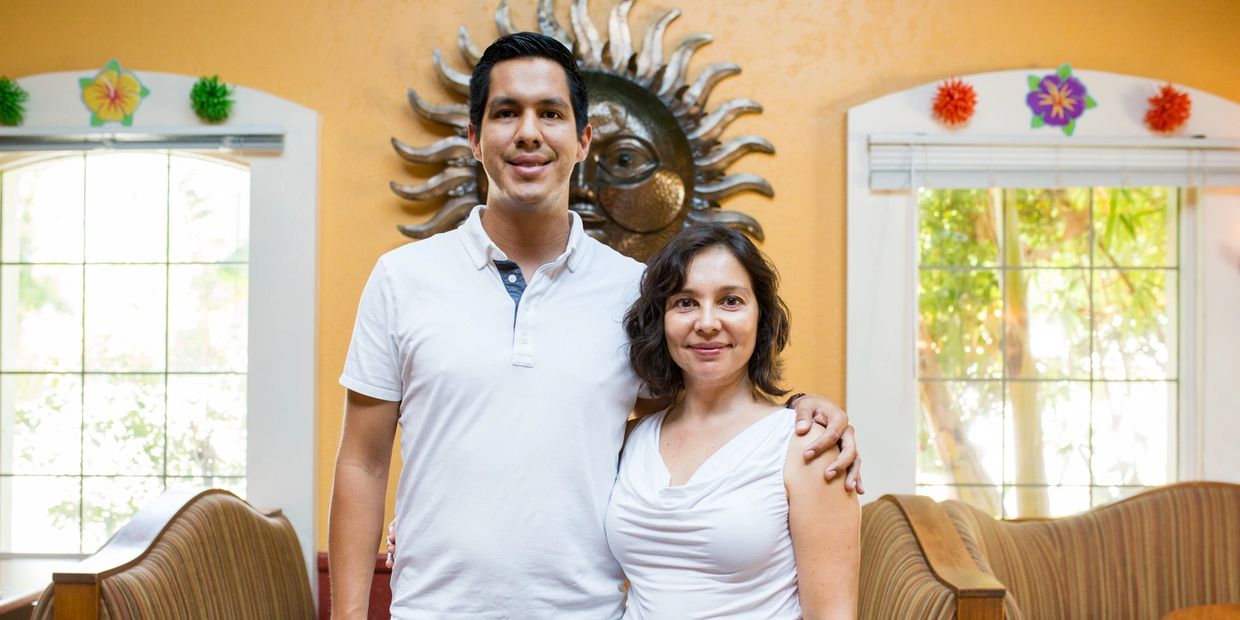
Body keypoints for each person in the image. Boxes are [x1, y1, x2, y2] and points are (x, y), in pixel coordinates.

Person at [329, 31, 861, 619]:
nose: (529, 131)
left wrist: (803, 411)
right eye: (506, 112)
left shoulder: (637, 292)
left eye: (550, 113)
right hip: (431, 609)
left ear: (583, 139)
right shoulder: (401, 279)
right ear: (475, 138)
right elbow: (363, 461)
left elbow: (696, 417)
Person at [606, 223, 859, 618]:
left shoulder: (809, 449)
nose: (707, 323)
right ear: (662, 321)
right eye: (685, 302)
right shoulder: (633, 437)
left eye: (730, 301)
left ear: (761, 318)